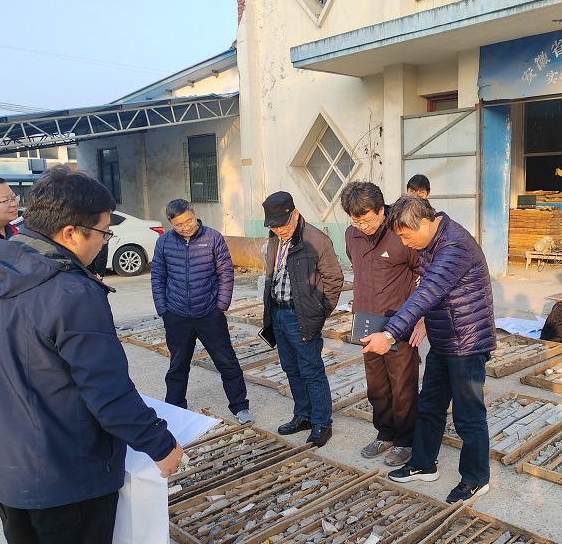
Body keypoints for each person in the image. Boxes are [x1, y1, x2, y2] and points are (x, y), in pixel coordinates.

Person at [0, 165, 183, 544]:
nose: (104, 242)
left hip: (2, 467)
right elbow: (107, 393)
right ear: (71, 233)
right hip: (64, 476)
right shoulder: (72, 292)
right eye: (103, 233)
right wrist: (160, 444)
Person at [362, 195, 496, 504]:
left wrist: (390, 334)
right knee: (430, 405)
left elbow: (428, 291)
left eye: (406, 236)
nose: (405, 243)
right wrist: (421, 321)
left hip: (467, 342)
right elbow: (427, 291)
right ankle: (423, 464)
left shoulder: (454, 246)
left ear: (425, 223)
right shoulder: (430, 241)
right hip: (444, 338)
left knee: (468, 415)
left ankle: (476, 479)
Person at [340, 181, 425, 466]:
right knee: (376, 384)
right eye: (356, 221)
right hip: (366, 321)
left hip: (399, 322)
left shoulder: (401, 233)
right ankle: (385, 433)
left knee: (403, 384)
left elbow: (425, 273)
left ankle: (405, 441)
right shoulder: (352, 235)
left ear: (381, 210)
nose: (363, 226)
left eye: (367, 220)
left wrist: (421, 317)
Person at [151, 199, 253, 424]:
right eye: (179, 225)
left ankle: (240, 407)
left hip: (209, 314)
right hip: (176, 315)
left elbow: (226, 273)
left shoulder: (213, 238)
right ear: (171, 224)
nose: (186, 227)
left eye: (189, 221)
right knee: (178, 365)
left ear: (194, 214)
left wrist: (221, 306)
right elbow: (158, 276)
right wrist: (163, 310)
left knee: (227, 361)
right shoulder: (164, 243)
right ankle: (175, 409)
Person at [259, 191, 343, 447]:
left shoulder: (317, 240)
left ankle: (322, 423)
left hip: (302, 315)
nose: (279, 230)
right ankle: (303, 415)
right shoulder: (275, 239)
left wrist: (318, 312)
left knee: (311, 370)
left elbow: (334, 280)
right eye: (273, 226)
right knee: (291, 368)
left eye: (282, 224)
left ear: (295, 214)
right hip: (278, 312)